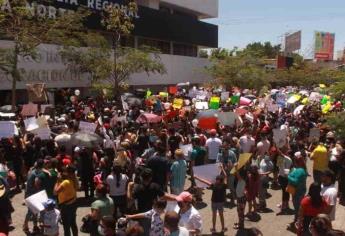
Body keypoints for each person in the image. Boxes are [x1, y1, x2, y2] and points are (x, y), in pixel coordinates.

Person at [54, 166, 78, 236]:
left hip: (66, 206)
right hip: (73, 204)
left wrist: (57, 181)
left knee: (66, 226)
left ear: (67, 172)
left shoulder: (65, 182)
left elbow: (55, 192)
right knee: (73, 223)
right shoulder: (73, 180)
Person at [287, 156, 308, 230]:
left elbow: (295, 181)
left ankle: (297, 223)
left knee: (297, 208)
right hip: (301, 191)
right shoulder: (303, 169)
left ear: (296, 162)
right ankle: (297, 221)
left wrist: (288, 176)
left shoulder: (299, 170)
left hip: (297, 192)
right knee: (298, 207)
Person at [276, 148, 293, 213]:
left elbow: (278, 166)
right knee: (286, 191)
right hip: (284, 176)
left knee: (285, 192)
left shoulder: (288, 159)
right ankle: (286, 205)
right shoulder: (284, 158)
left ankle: (284, 206)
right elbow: (279, 166)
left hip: (284, 177)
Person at [234, 164, 247, 230]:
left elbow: (238, 176)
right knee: (240, 211)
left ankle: (241, 226)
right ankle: (240, 223)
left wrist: (236, 168)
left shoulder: (242, 180)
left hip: (241, 198)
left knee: (240, 212)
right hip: (240, 197)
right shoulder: (242, 179)